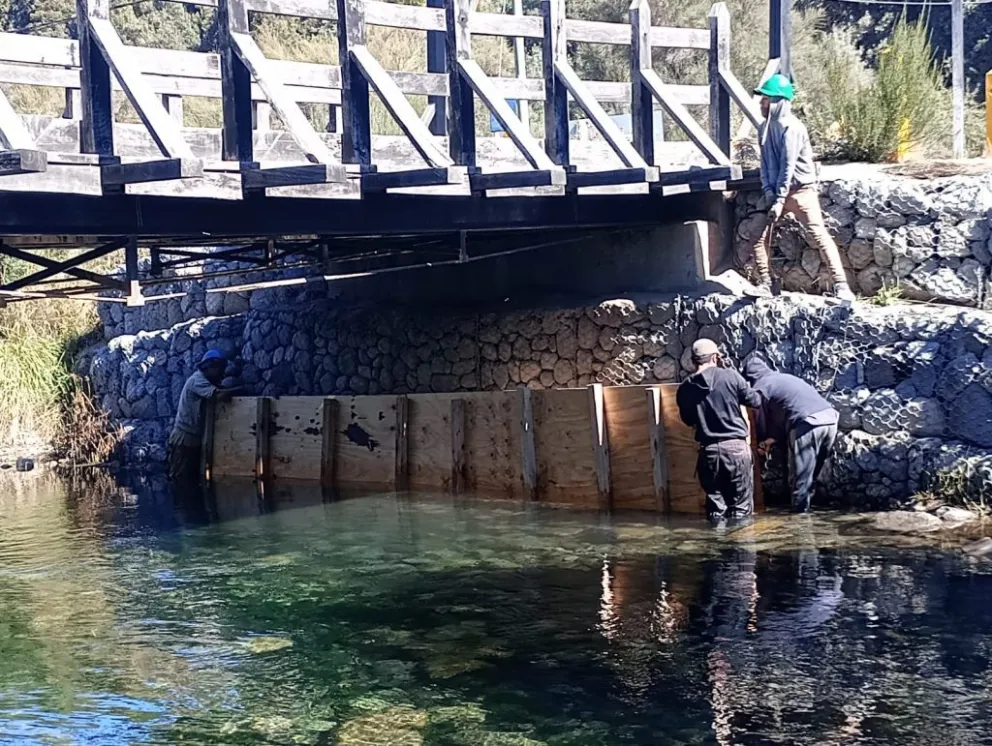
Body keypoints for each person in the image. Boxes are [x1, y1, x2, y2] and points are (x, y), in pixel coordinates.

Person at [749, 73, 854, 302]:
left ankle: (841, 286)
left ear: (778, 101)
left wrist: (779, 200)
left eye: (766, 99)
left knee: (818, 235)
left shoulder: (793, 128)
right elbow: (765, 164)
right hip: (776, 192)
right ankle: (767, 283)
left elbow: (787, 167)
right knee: (756, 234)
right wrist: (768, 192)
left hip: (801, 191)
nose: (761, 104)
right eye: (762, 99)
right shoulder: (764, 128)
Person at [677, 339, 762, 522]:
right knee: (740, 509)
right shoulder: (730, 376)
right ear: (715, 357)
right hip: (736, 450)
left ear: (693, 361)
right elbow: (755, 401)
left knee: (716, 510)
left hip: (708, 453)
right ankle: (740, 539)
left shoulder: (685, 388)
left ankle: (716, 538)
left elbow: (688, 420)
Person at [742, 356, 839, 513]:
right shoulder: (783, 378)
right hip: (830, 420)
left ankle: (799, 519)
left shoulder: (761, 387)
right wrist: (772, 439)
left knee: (800, 478)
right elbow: (785, 411)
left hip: (808, 424)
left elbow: (760, 420)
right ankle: (808, 512)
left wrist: (761, 441)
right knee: (811, 476)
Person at [167, 349, 236, 483]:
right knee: (180, 479)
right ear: (208, 367)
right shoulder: (197, 380)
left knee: (192, 480)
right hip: (184, 438)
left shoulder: (206, 381)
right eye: (219, 369)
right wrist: (241, 390)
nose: (222, 373)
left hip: (193, 438)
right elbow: (219, 395)